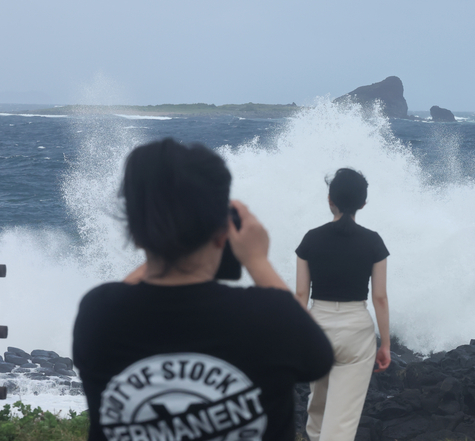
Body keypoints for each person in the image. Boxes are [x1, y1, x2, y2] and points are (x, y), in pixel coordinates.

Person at [73, 138, 333, 441]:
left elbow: (128, 293)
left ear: (134, 229)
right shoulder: (270, 316)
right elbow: (318, 359)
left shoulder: (99, 313)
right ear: (223, 231)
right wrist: (257, 260)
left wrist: (159, 242)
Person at [295, 168, 391, 441]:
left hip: (317, 327)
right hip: (355, 329)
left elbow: (301, 294)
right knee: (341, 421)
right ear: (363, 203)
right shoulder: (373, 242)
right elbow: (379, 297)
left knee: (319, 407)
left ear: (330, 200)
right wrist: (385, 344)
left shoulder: (311, 238)